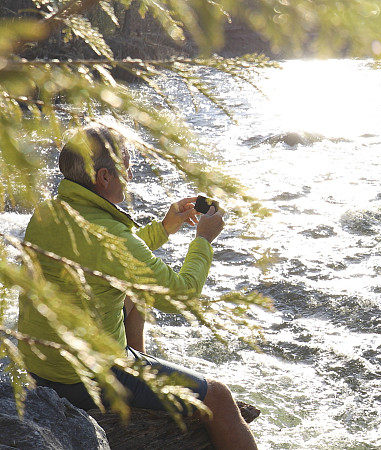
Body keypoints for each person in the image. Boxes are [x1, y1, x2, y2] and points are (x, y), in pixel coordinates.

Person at [16, 123, 257, 449]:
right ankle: (137, 381)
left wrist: (164, 228)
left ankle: (141, 375)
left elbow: (108, 257)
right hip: (81, 378)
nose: (131, 171)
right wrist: (203, 240)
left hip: (39, 363)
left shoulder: (50, 210)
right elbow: (181, 295)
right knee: (219, 398)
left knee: (133, 292)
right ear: (103, 177)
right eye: (125, 163)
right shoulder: (111, 235)